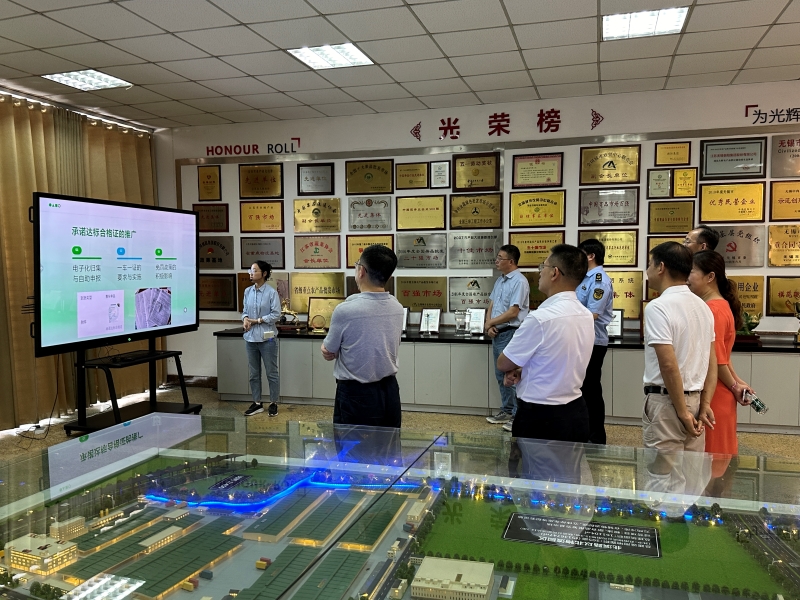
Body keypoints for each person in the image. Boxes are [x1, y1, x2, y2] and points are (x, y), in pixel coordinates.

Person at [497, 244, 594, 442]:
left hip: (541, 417)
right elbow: (558, 359)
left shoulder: (540, 318)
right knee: (572, 463)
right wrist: (523, 371)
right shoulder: (585, 314)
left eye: (543, 266)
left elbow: (503, 363)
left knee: (531, 463)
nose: (540, 272)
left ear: (555, 273)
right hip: (575, 411)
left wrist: (513, 368)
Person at [688, 250, 755, 490]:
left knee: (710, 460)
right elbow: (724, 359)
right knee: (715, 458)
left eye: (691, 272)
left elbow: (716, 361)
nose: (687, 277)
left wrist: (735, 385)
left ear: (710, 277)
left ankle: (707, 505)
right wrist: (737, 383)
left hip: (713, 392)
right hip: (721, 390)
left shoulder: (712, 310)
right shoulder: (720, 305)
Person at [643, 242, 717, 452]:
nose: (647, 271)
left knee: (663, 470)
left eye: (650, 264)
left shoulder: (658, 307)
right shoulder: (703, 306)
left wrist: (682, 412)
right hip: (696, 401)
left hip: (667, 402)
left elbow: (668, 364)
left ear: (661, 267)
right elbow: (712, 361)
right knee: (692, 469)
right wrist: (705, 404)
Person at [321, 244, 404, 428]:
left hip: (356, 393)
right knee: (388, 443)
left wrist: (326, 349)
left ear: (361, 271)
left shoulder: (345, 310)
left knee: (353, 444)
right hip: (390, 391)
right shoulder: (397, 307)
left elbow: (329, 350)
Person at [485, 245, 530, 432]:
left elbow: (513, 312)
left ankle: (518, 416)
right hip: (498, 332)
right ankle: (507, 410)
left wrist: (491, 322)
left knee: (511, 375)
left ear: (511, 261)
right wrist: (489, 325)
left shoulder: (519, 281)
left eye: (500, 258)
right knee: (500, 375)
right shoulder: (500, 280)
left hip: (511, 332)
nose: (496, 261)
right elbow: (492, 304)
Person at [576, 238, 615, 444]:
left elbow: (593, 314)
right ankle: (585, 432)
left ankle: (596, 437)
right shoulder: (584, 278)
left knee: (591, 390)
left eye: (581, 254)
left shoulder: (599, 280)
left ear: (591, 256)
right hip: (581, 340)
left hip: (593, 341)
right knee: (582, 389)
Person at [241, 261, 281, 417]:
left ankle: (273, 402)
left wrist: (257, 320)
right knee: (254, 373)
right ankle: (257, 403)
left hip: (268, 339)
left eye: (254, 270)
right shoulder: (248, 291)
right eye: (250, 270)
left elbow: (276, 314)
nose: (251, 273)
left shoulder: (271, 293)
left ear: (264, 273)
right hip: (250, 338)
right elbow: (244, 311)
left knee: (271, 372)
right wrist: (245, 319)